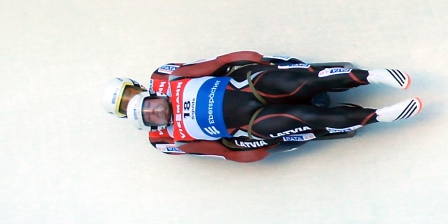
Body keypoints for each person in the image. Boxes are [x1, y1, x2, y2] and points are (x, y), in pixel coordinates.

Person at [101, 51, 424, 162]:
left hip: (246, 85)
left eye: (135, 97)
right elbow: (218, 149)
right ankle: (378, 116)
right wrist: (248, 151)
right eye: (145, 115)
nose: (154, 111)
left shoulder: (167, 78)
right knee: (303, 117)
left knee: (297, 83)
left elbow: (213, 65)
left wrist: (246, 59)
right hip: (251, 122)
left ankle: (371, 76)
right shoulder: (167, 140)